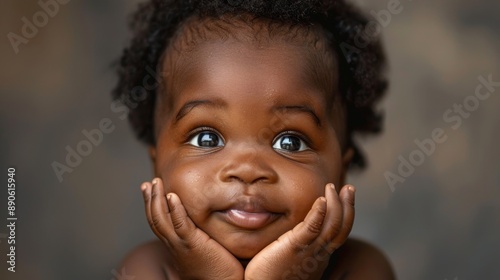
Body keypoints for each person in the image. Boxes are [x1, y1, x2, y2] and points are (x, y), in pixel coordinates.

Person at [113, 0, 395, 278]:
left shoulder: (362, 268)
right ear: (157, 165)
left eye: (290, 142)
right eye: (207, 139)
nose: (247, 170)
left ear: (341, 172)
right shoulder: (145, 269)